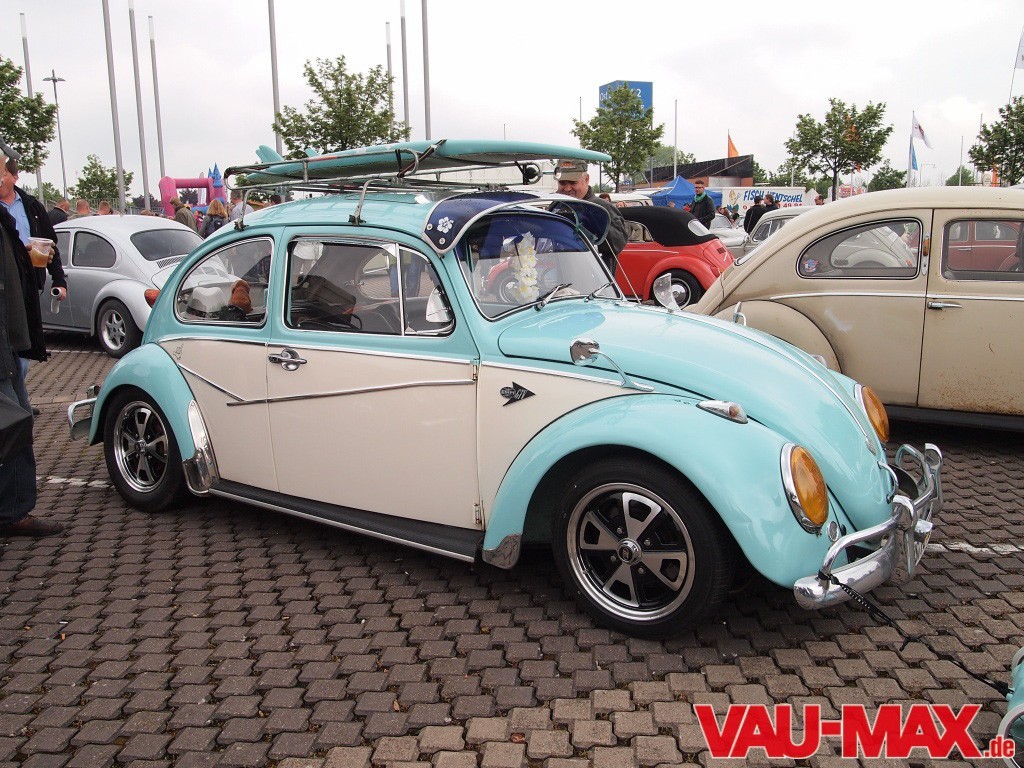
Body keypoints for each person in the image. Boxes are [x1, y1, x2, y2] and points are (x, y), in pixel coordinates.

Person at [0, 139, 64, 537]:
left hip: (11, 338)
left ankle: (13, 510)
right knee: (14, 425)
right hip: (3, 345)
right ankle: (12, 513)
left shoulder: (25, 209)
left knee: (17, 423)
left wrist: (41, 266)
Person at [0, 155, 68, 304]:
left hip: (31, 283)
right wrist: (21, 253)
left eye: (3, 174)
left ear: (15, 177)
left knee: (31, 319)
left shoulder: (33, 206)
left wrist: (59, 280)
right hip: (4, 286)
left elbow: (49, 244)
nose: (1, 180)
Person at [552, 159, 627, 272]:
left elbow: (617, 244)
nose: (567, 188)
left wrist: (590, 222)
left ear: (586, 179)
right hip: (559, 277)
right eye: (562, 183)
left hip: (593, 279)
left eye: (573, 183)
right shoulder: (555, 205)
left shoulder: (602, 208)